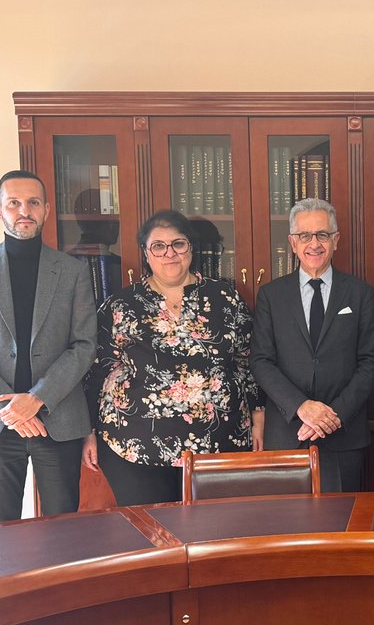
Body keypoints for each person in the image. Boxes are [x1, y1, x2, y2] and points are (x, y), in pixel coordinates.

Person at [83, 210, 263, 506]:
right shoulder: (120, 305)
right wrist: (88, 432)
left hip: (218, 442)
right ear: (146, 252)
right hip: (135, 445)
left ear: (190, 248)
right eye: (159, 246)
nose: (170, 254)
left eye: (178, 244)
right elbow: (97, 370)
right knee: (152, 539)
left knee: (211, 537)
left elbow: (247, 359)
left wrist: (259, 418)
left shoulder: (225, 297)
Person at [0, 170, 97, 522]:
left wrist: (36, 399)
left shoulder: (73, 271)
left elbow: (84, 344)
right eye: (14, 203)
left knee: (63, 531)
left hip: (57, 419)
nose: (24, 211)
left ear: (46, 210)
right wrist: (11, 409)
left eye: (33, 203)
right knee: (0, 533)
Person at [250, 198, 374, 492]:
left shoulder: (359, 294)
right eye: (304, 236)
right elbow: (261, 361)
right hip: (287, 433)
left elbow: (371, 362)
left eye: (322, 234)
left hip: (343, 435)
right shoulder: (271, 295)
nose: (314, 243)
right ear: (292, 243)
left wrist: (332, 416)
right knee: (290, 527)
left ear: (335, 240)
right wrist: (302, 408)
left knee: (342, 526)